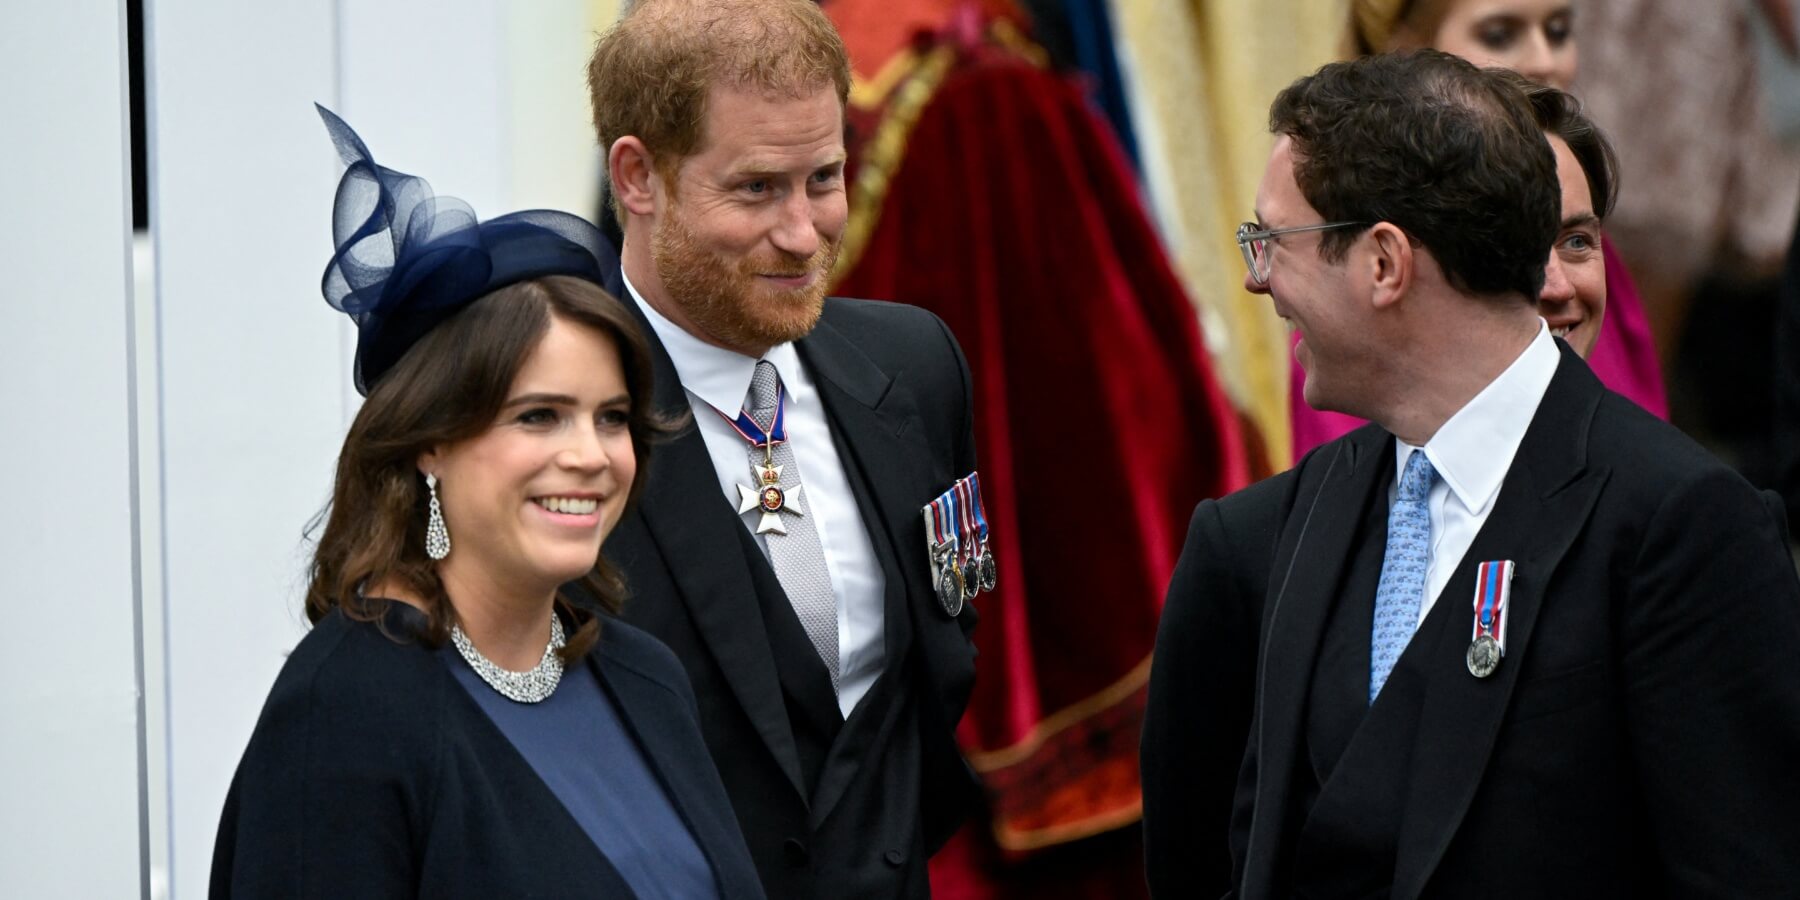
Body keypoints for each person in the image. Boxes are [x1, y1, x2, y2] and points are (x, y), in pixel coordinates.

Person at [1142, 51, 1800, 898]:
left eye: (1274, 240)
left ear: (1384, 263)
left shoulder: (1680, 525)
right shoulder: (1262, 538)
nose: (1255, 277)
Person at [209, 107, 765, 899]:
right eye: (538, 415)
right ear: (430, 439)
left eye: (611, 417)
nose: (589, 455)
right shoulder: (343, 710)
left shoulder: (645, 677)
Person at [584, 2, 982, 897]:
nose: (805, 234)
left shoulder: (917, 367)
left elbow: (949, 633)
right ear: (639, 176)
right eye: (758, 188)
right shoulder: (558, 429)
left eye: (825, 178)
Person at [1293, 0, 1669, 458]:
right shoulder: (1354, 303)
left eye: (1557, 30)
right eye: (1499, 34)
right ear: (1408, 53)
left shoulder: (1593, 271)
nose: (1544, 61)